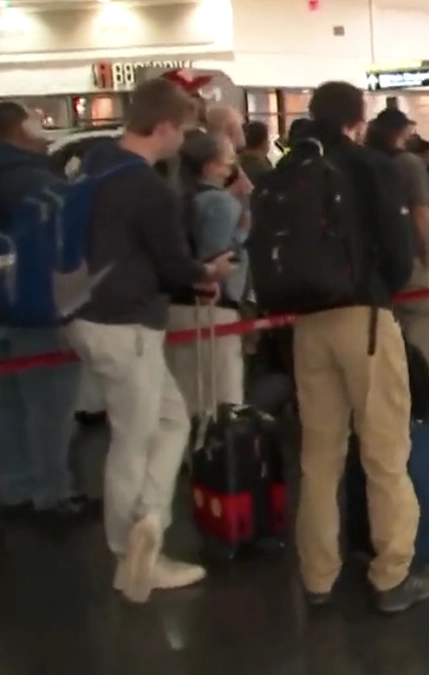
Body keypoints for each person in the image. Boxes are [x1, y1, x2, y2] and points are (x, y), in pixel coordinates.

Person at [65, 79, 237, 602]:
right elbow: (172, 263)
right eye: (181, 129)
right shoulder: (146, 187)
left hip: (87, 316)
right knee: (135, 436)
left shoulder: (94, 165)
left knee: (166, 419)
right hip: (128, 324)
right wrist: (208, 270)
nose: (182, 140)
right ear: (163, 126)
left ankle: (146, 524)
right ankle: (135, 548)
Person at [288, 81, 429, 613]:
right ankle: (391, 574)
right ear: (359, 116)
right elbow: (396, 252)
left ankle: (318, 575)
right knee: (384, 453)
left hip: (306, 322)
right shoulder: (369, 165)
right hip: (363, 318)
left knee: (318, 456)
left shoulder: (293, 165)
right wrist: (381, 290)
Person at [0, 102, 93, 526]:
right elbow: (69, 244)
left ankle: (15, 488)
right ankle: (54, 495)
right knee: (50, 408)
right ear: (20, 130)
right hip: (39, 309)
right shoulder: (39, 182)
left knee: (10, 405)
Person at [164, 131, 249, 417]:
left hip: (174, 307)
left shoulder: (176, 197)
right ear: (210, 165)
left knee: (183, 401)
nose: (232, 166)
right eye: (228, 160)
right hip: (212, 311)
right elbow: (218, 256)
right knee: (220, 405)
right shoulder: (221, 203)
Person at [365, 109, 429, 391]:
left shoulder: (363, 162)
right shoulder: (409, 164)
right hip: (409, 255)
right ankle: (423, 390)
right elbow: (421, 212)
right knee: (421, 325)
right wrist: (428, 253)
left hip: (373, 263)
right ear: (400, 132)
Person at [238, 120, 274, 186]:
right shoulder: (262, 166)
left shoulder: (234, 161)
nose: (269, 142)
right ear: (263, 142)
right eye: (267, 138)